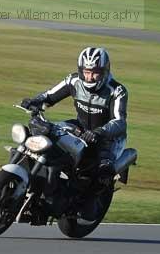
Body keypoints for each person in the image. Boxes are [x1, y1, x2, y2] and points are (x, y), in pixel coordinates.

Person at [21, 46, 128, 185]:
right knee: (49, 134)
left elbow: (120, 122)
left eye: (95, 73)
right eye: (86, 72)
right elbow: (49, 96)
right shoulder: (74, 81)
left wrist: (99, 132)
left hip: (108, 138)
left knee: (101, 174)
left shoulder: (117, 91)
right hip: (81, 128)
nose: (89, 77)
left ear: (105, 71)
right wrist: (35, 101)